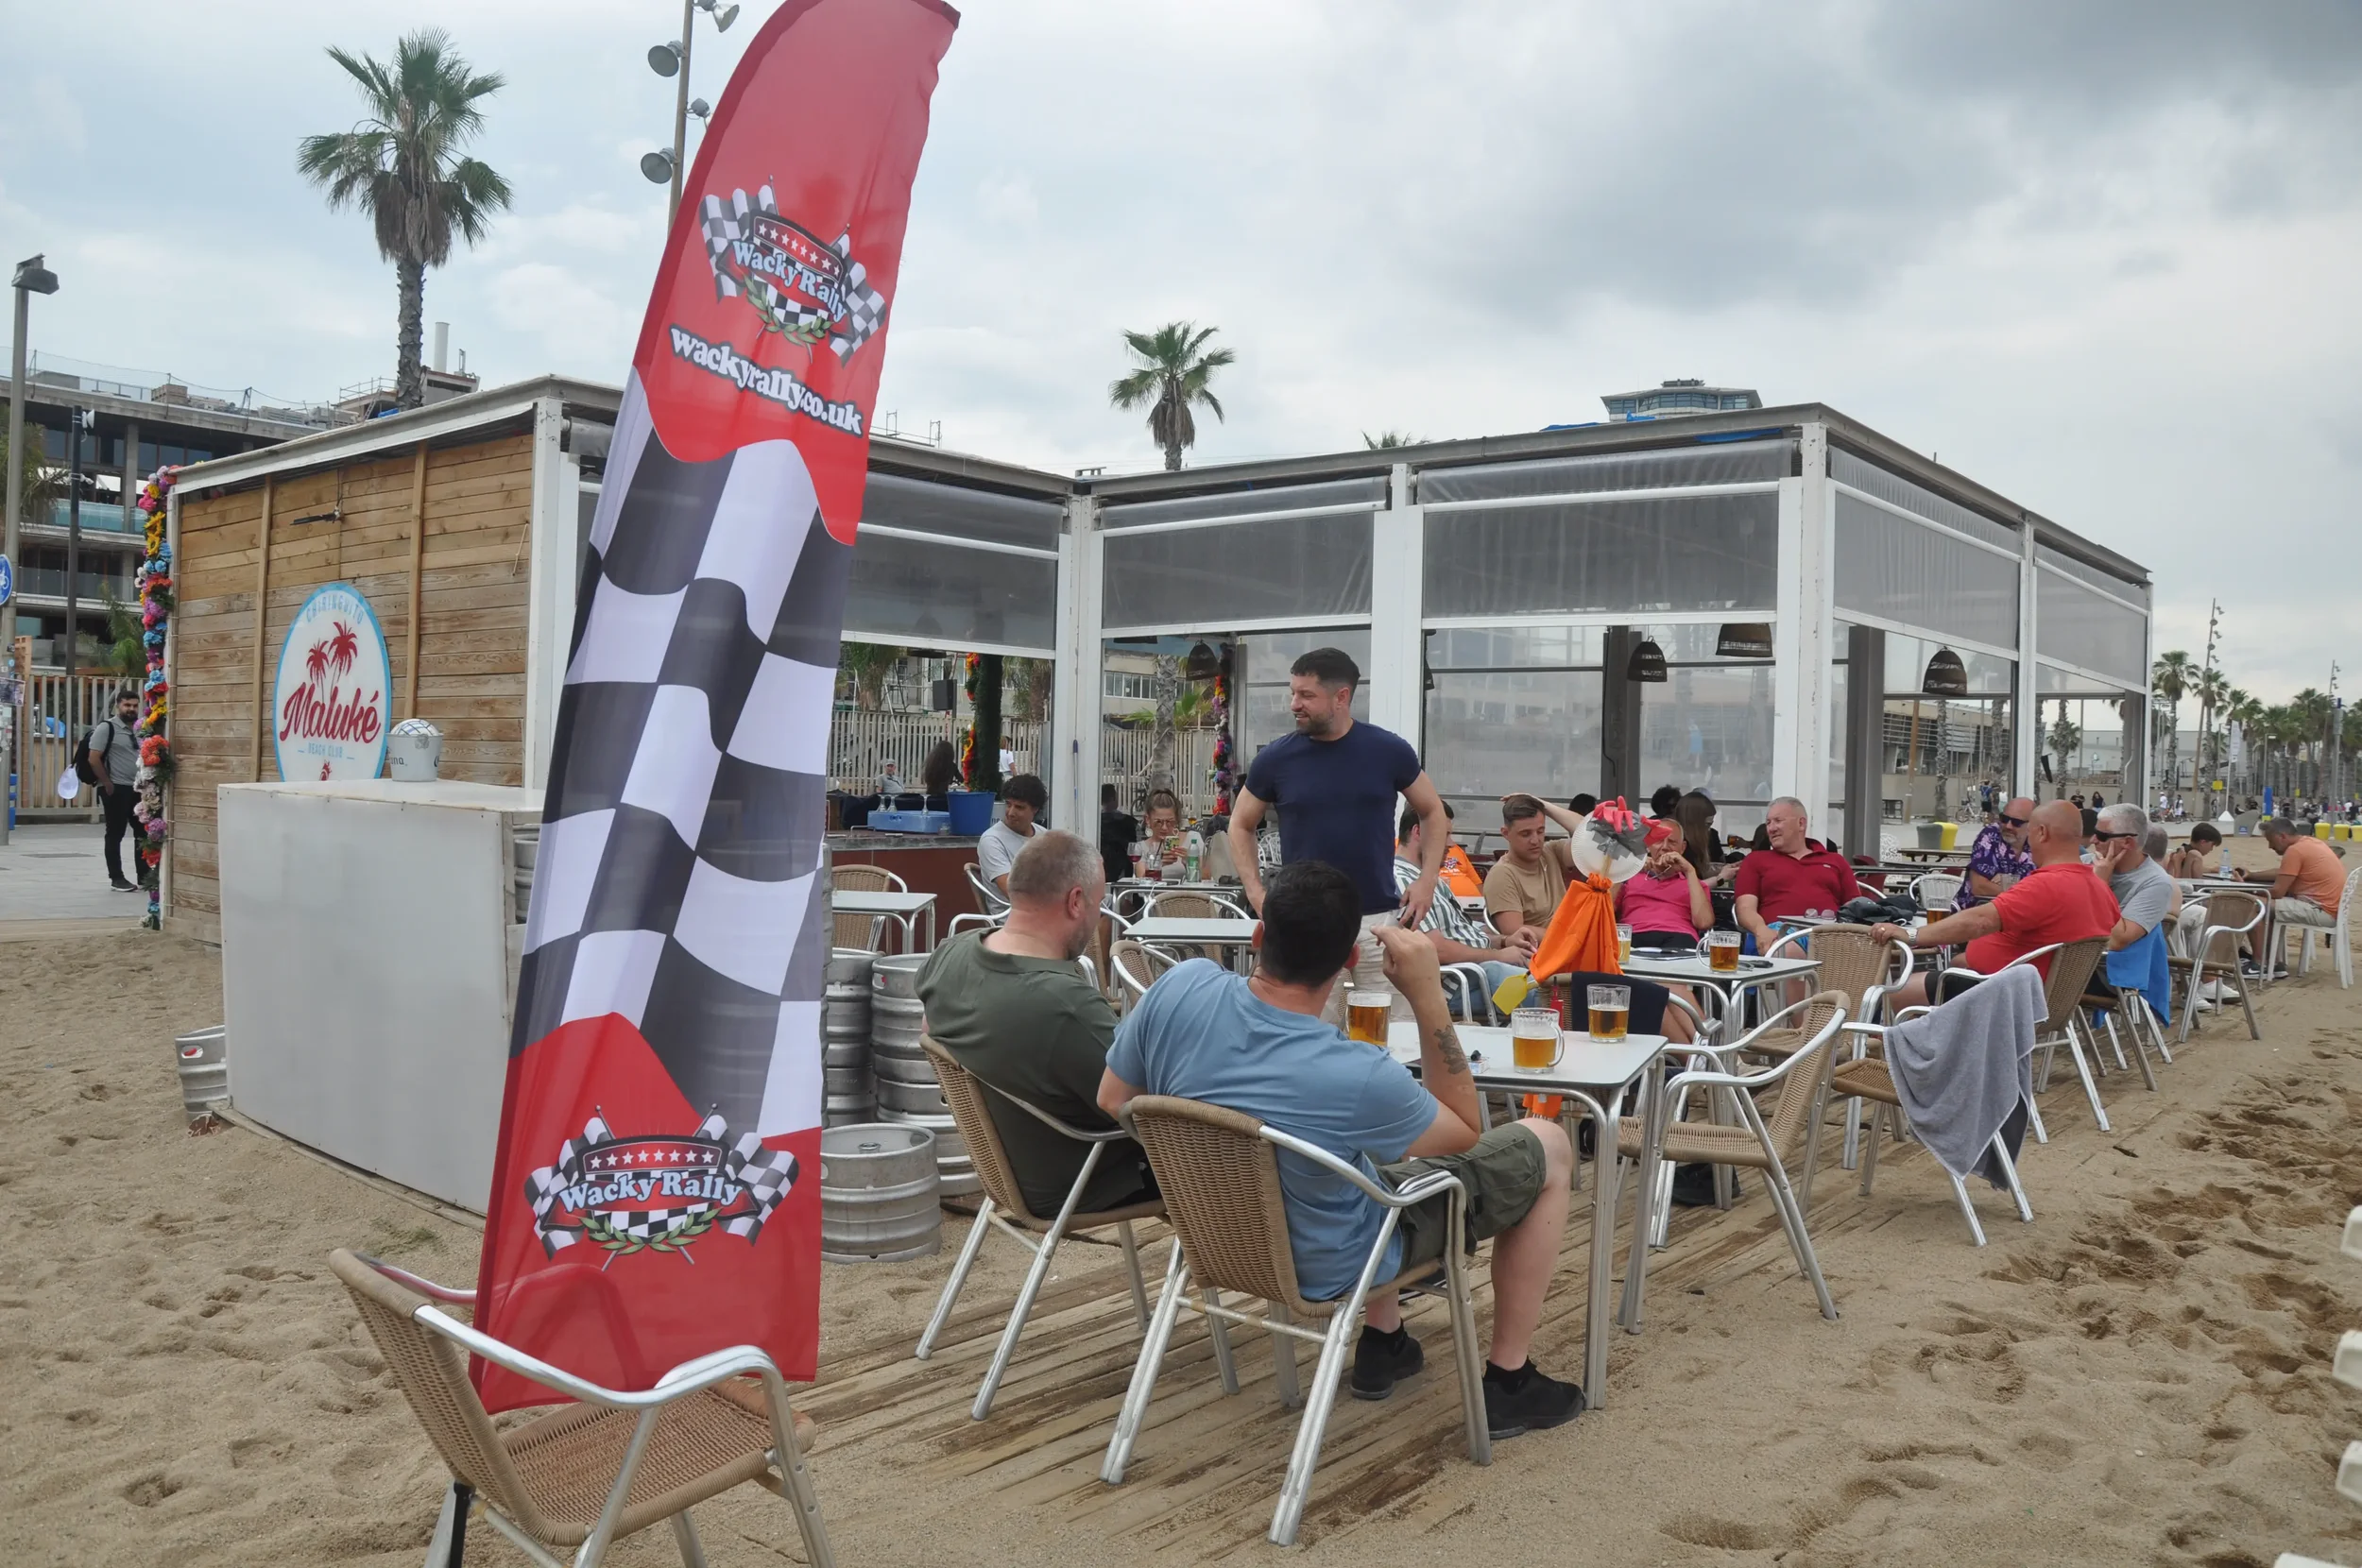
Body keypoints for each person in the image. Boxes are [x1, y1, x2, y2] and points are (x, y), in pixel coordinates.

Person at [1098, 861, 1583, 1434]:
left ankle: (1385, 1341)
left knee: (1354, 1144)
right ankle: (1510, 1379)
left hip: (1215, 1236)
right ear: (1350, 962)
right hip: (1335, 1264)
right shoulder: (1355, 1073)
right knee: (1548, 1144)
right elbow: (1463, 1131)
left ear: (1258, 936)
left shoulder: (1178, 988)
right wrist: (1428, 996)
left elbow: (1114, 1098)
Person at [917, 831, 1155, 1215]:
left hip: (1004, 1170)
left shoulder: (950, 953)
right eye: (1098, 903)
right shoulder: (1065, 1004)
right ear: (1076, 902)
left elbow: (928, 1032)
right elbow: (1144, 1108)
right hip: (1083, 1179)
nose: (1098, 916)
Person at [1227, 647, 1451, 1025]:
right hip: (1306, 922)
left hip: (1378, 920)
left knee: (1396, 1036)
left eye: (1306, 695)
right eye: (1293, 692)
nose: (1294, 704)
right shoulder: (1276, 759)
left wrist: (1428, 881)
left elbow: (1432, 811)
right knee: (1304, 1033)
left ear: (1342, 697)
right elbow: (1240, 824)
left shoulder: (1387, 750)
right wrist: (1255, 892)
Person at [1870, 801, 2118, 1008]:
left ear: (2041, 833)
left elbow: (1980, 921)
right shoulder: (2100, 888)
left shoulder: (2045, 886)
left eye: (2029, 831)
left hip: (2003, 995)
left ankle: (1872, 1058)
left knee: (1882, 997)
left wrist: (1911, 934)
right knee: (1951, 970)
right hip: (2050, 1001)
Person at [1394, 807, 1530, 1011]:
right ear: (1418, 832)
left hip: (1476, 974)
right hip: (1457, 984)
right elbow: (1435, 948)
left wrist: (1504, 941)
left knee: (1549, 973)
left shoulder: (1428, 879)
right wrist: (1499, 955)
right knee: (1538, 990)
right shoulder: (1403, 880)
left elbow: (1463, 931)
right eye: (1445, 834)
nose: (1451, 843)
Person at [1733, 797, 1860, 952]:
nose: (1771, 828)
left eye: (1778, 821)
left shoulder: (1835, 861)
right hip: (1776, 933)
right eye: (1768, 823)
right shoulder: (1756, 860)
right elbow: (1745, 909)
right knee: (1784, 945)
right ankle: (1802, 973)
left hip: (1828, 936)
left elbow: (1856, 909)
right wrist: (1761, 930)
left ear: (1801, 823)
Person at [2240, 816, 2347, 963]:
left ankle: (2259, 963)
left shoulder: (2295, 851)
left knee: (2251, 904)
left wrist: (2245, 890)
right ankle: (2274, 963)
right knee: (2264, 907)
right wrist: (2251, 876)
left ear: (2282, 836)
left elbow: (2277, 893)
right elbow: (2283, 872)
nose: (2270, 846)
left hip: (2319, 910)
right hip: (2330, 908)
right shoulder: (2310, 842)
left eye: (2271, 841)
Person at [1483, 794, 1577, 943]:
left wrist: (1543, 805)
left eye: (1540, 831)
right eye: (1526, 834)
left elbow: (1590, 836)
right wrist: (1572, 938)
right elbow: (1515, 931)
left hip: (1570, 946)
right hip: (1542, 956)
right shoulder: (1502, 875)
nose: (1535, 840)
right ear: (1506, 833)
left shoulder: (1551, 851)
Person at [1616, 820, 1713, 950]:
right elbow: (1604, 911)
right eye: (1658, 841)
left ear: (1682, 848)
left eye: (1672, 842)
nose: (1665, 847)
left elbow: (1704, 923)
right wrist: (1628, 868)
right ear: (1648, 845)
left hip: (1679, 936)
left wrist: (1689, 870)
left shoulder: (1693, 882)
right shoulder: (1628, 878)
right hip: (1633, 936)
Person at [2094, 804, 2174, 953]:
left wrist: (2100, 884)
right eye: (2094, 832)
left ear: (2128, 842)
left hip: (2111, 971)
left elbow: (2116, 941)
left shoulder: (2156, 882)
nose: (2093, 840)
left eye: (2101, 836)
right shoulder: (2085, 862)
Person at [88, 688, 143, 893]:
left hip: (138, 788)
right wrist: (107, 783)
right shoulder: (107, 728)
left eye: (135, 706)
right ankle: (117, 878)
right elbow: (93, 758)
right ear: (118, 705)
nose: (131, 709)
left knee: (142, 832)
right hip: (115, 788)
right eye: (127, 705)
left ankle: (145, 876)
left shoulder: (140, 728)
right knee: (115, 833)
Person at [1956, 796, 2035, 911]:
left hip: (2016, 916)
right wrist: (2021, 892)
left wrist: (2001, 885)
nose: (2008, 826)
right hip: (1974, 913)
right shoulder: (1991, 835)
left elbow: (2041, 889)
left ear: (2031, 825)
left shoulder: (2037, 843)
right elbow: (1980, 887)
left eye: (2016, 822)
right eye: (2004, 818)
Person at [978, 774, 1047, 898]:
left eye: (1019, 807)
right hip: (1012, 915)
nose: (1010, 813)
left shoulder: (1045, 836)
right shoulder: (992, 840)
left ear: (1035, 809)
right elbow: (1013, 893)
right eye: (1008, 804)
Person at [1674, 790, 1730, 883]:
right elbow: (1685, 889)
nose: (1709, 830)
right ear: (1693, 823)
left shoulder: (1691, 844)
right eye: (1706, 825)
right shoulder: (1679, 847)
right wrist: (1720, 878)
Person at [1098, 782, 1138, 886]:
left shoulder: (1096, 822)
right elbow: (1133, 847)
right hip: (1121, 869)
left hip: (1101, 867)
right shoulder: (1127, 822)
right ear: (1113, 799)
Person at [1141, 789, 1188, 878]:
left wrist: (1190, 861)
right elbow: (1141, 882)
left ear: (1177, 820)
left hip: (1186, 892)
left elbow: (1207, 877)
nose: (1164, 827)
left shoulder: (1192, 839)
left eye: (1170, 822)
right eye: (1158, 822)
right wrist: (1158, 864)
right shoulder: (1142, 848)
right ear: (1148, 820)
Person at [919, 740, 958, 806]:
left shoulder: (930, 764)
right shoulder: (951, 766)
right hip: (944, 799)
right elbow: (961, 779)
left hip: (929, 798)